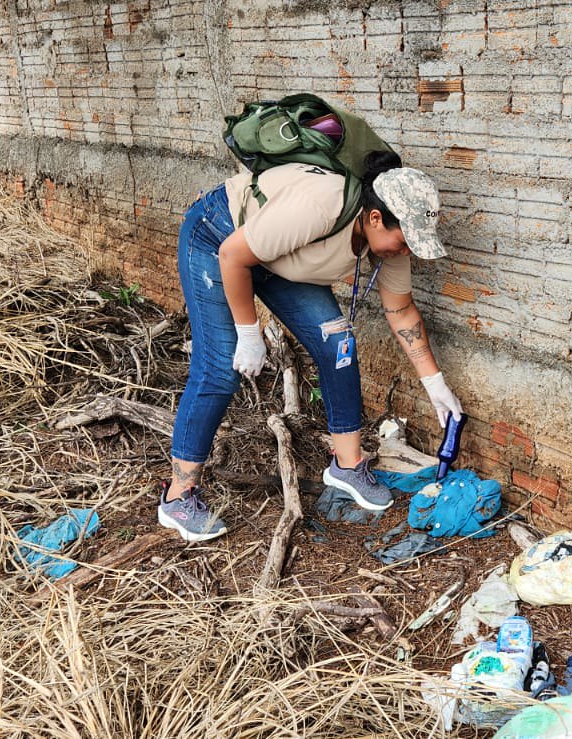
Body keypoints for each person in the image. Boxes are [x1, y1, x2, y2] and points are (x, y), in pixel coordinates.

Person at [154, 150, 464, 542]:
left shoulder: (389, 242)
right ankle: (178, 496)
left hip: (278, 257)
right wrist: (249, 334)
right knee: (219, 367)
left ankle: (348, 466)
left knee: (338, 342)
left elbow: (400, 310)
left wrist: (435, 382)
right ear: (373, 218)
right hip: (219, 237)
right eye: (405, 241)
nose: (407, 251)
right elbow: (234, 255)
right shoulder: (320, 206)